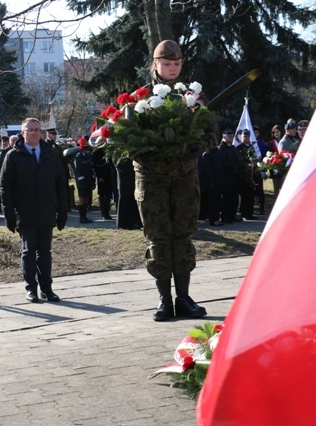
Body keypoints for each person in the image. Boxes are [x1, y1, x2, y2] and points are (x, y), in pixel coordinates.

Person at [131, 40, 207, 321]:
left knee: (182, 236)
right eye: (167, 64)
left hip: (185, 180)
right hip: (152, 181)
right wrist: (151, 150)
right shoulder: (138, 100)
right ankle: (164, 300)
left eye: (176, 64)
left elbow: (210, 132)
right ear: (155, 65)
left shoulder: (194, 98)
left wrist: (193, 145)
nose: (172, 69)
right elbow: (128, 140)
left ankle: (184, 298)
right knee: (158, 239)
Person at [0, 117, 68, 303]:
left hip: (47, 210)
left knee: (45, 252)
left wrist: (62, 211)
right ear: (22, 133)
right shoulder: (13, 156)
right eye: (30, 129)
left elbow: (61, 184)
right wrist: (9, 214)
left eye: (37, 129)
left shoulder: (51, 154)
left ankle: (47, 288)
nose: (34, 132)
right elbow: (6, 187)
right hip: (25, 212)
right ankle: (31, 289)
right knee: (29, 251)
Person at [72, 135, 96, 224]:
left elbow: (91, 169)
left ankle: (85, 216)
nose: (89, 152)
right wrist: (81, 182)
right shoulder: (78, 156)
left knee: (86, 198)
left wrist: (92, 180)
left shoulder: (88, 156)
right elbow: (78, 171)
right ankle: (82, 217)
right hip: (82, 181)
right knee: (82, 198)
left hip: (88, 180)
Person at [219, 129, 240, 224]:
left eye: (232, 136)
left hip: (234, 177)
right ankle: (226, 217)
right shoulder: (221, 148)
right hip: (226, 177)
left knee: (234, 198)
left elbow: (237, 159)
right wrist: (233, 166)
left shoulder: (233, 148)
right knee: (227, 198)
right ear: (224, 137)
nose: (231, 138)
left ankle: (232, 215)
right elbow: (223, 161)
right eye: (229, 136)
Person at [237, 129, 257, 220]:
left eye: (248, 136)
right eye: (245, 137)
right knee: (245, 194)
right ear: (241, 138)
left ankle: (250, 212)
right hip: (244, 173)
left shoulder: (251, 147)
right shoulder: (239, 147)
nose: (246, 138)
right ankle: (243, 212)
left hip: (251, 172)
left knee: (251, 194)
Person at [92, 146, 113, 220]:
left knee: (108, 195)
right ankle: (104, 212)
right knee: (102, 195)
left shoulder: (109, 151)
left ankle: (107, 212)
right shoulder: (96, 154)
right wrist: (99, 176)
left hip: (109, 176)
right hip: (101, 176)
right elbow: (94, 166)